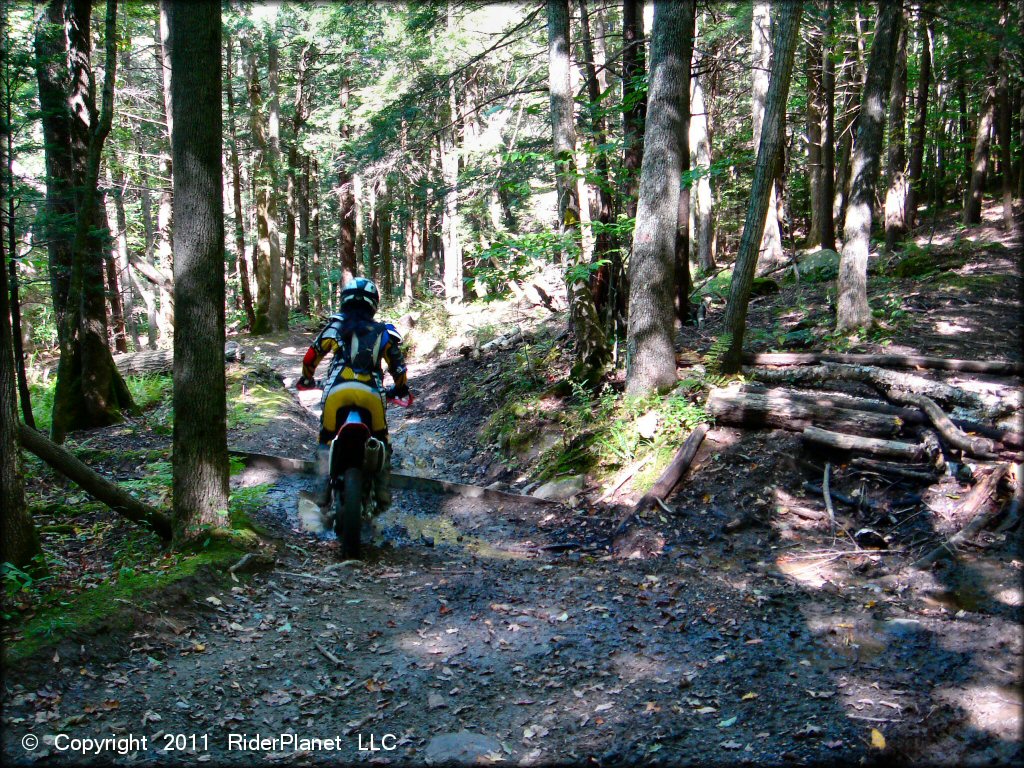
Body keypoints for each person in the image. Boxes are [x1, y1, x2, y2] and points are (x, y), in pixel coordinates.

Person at [296, 277, 410, 510]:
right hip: (372, 395)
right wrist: (400, 388)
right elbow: (398, 368)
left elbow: (311, 356)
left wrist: (307, 378)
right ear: (374, 304)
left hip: (336, 392)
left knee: (326, 439)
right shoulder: (384, 332)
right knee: (382, 440)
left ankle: (321, 492)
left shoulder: (335, 326)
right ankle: (382, 491)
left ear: (344, 302)